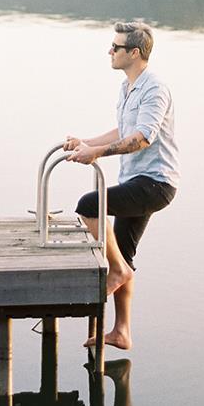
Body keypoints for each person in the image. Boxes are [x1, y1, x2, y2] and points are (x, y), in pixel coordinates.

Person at [65, 21, 179, 350]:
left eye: (116, 47)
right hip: (135, 180)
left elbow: (141, 138)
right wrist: (85, 143)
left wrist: (96, 154)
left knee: (89, 204)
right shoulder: (128, 87)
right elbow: (122, 130)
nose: (110, 51)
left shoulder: (155, 88)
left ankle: (116, 272)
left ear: (135, 53)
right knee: (125, 255)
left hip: (155, 183)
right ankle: (122, 332)